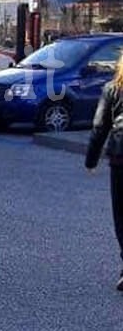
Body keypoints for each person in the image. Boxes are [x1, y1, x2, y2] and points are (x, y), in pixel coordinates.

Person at [85, 51, 123, 290]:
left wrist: (91, 160)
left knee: (121, 215)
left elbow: (99, 127)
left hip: (121, 157)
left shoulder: (112, 89)